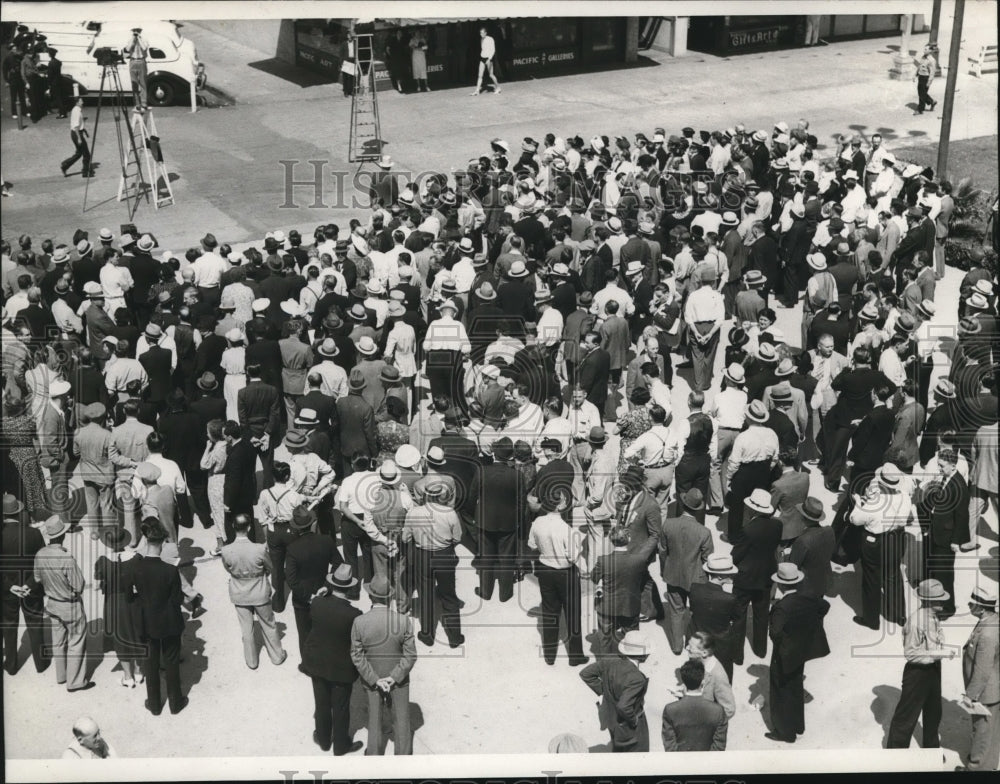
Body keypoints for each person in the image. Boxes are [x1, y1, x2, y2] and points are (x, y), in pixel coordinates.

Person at [886, 578, 958, 748]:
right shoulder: (916, 621)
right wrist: (939, 654)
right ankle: (894, 757)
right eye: (938, 599)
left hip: (933, 670)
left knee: (934, 714)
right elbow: (910, 654)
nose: (943, 601)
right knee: (906, 717)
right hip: (917, 673)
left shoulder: (933, 616)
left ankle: (931, 751)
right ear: (928, 601)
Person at [350, 574, 417, 755]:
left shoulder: (360, 622)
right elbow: (410, 655)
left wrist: (374, 679)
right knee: (402, 719)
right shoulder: (403, 621)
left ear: (370, 596)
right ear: (390, 597)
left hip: (372, 678)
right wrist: (394, 677)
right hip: (399, 679)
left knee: (374, 718)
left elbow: (357, 656)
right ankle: (403, 757)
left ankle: (374, 754)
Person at [302, 564, 364, 755]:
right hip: (341, 668)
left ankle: (323, 739)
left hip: (317, 663)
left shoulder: (318, 603)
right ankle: (340, 745)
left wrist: (322, 594)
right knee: (341, 708)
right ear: (350, 587)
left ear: (332, 584)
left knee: (321, 702)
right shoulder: (354, 615)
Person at [128, 519, 188, 715]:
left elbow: (130, 597)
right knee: (171, 662)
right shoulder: (170, 570)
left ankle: (154, 704)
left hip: (146, 622)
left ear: (146, 541)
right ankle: (175, 702)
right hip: (169, 621)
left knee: (150, 664)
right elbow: (178, 599)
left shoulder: (135, 568)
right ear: (162, 543)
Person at [766, 563, 831, 743]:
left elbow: (774, 633)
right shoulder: (809, 595)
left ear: (780, 585)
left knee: (780, 690)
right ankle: (797, 725)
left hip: (785, 653)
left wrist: (786, 641)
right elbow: (824, 606)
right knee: (795, 686)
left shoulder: (781, 607)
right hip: (802, 650)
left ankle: (784, 732)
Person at [526, 480, 588, 665]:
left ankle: (550, 656)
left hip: (544, 570)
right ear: (561, 504)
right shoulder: (565, 529)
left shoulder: (537, 522)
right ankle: (575, 656)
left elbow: (532, 544)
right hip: (565, 573)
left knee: (550, 613)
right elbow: (572, 556)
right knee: (572, 614)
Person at [31, 514, 91, 691]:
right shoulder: (66, 558)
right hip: (69, 605)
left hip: (52, 604)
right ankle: (75, 682)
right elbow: (79, 585)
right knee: (76, 641)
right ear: (63, 535)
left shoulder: (40, 554)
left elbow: (36, 578)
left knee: (58, 642)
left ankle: (61, 675)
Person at [402, 479, 465, 648]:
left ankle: (427, 635)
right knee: (449, 595)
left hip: (422, 556)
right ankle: (455, 637)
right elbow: (457, 537)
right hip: (444, 555)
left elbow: (405, 537)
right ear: (441, 495)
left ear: (425, 494)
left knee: (426, 595)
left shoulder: (414, 512)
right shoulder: (450, 513)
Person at [220, 512, 287, 670]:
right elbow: (270, 567)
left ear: (233, 527)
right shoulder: (259, 549)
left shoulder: (226, 550)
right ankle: (277, 656)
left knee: (246, 629)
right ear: (249, 528)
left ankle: (251, 661)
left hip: (239, 592)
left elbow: (228, 568)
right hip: (259, 591)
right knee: (269, 624)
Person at [659, 488, 714, 655]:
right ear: (698, 509)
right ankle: (695, 645)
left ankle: (676, 646)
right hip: (696, 578)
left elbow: (662, 551)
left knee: (676, 611)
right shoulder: (704, 532)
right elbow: (708, 558)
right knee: (697, 612)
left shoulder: (668, 524)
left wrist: (664, 570)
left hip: (673, 574)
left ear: (683, 504)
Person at [579, 630, 650, 752]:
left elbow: (586, 674)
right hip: (628, 724)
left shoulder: (609, 660)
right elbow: (624, 706)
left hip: (610, 717)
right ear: (643, 655)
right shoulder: (637, 678)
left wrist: (603, 691)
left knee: (617, 748)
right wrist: (634, 720)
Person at [1, 495, 49, 675]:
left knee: (8, 625)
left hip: (8, 589)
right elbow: (42, 561)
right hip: (31, 586)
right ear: (19, 511)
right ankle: (41, 664)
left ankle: (12, 665)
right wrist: (29, 583)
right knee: (35, 623)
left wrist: (9, 586)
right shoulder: (34, 533)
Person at [93, 527, 143, 687]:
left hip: (113, 603)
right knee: (136, 634)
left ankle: (127, 677)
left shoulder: (102, 561)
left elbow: (98, 582)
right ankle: (139, 672)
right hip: (133, 600)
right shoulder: (136, 558)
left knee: (120, 637)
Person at [960, 586, 1000, 772]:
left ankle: (976, 770)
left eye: (972, 603)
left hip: (985, 691)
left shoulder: (988, 633)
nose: (969, 605)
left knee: (981, 731)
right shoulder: (990, 620)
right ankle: (988, 765)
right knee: (989, 731)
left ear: (982, 608)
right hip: (992, 687)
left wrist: (970, 695)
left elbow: (982, 669)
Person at [662, 659, 728, 751]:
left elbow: (669, 744)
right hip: (707, 762)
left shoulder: (670, 709)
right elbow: (719, 745)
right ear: (703, 683)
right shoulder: (718, 710)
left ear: (684, 682)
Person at [60, 97, 91, 177]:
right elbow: (76, 126)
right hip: (77, 134)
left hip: (75, 134)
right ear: (77, 102)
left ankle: (65, 165)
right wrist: (79, 138)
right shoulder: (77, 111)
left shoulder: (76, 110)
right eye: (81, 101)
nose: (83, 102)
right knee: (86, 154)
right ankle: (85, 172)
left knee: (79, 153)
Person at [124, 27, 149, 111]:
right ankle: (137, 103)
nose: (136, 32)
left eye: (138, 31)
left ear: (140, 31)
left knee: (143, 83)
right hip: (133, 61)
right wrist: (133, 39)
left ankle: (144, 103)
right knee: (134, 83)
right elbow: (127, 49)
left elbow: (144, 48)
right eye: (134, 31)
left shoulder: (144, 39)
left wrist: (138, 38)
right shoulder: (130, 40)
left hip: (141, 61)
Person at [471, 26, 501, 96]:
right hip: (482, 58)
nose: (481, 34)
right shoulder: (481, 39)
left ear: (486, 33)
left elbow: (493, 50)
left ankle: (498, 87)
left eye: (482, 33)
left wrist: (489, 59)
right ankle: (477, 91)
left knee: (491, 75)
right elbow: (483, 50)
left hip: (489, 59)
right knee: (480, 75)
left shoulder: (490, 39)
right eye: (480, 33)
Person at [913, 44, 938, 115]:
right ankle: (932, 102)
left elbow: (932, 73)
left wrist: (929, 82)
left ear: (930, 51)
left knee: (922, 93)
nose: (924, 51)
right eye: (924, 49)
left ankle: (920, 109)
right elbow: (919, 66)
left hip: (926, 78)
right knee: (921, 93)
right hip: (920, 77)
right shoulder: (923, 57)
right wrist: (915, 75)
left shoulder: (932, 60)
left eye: (926, 49)